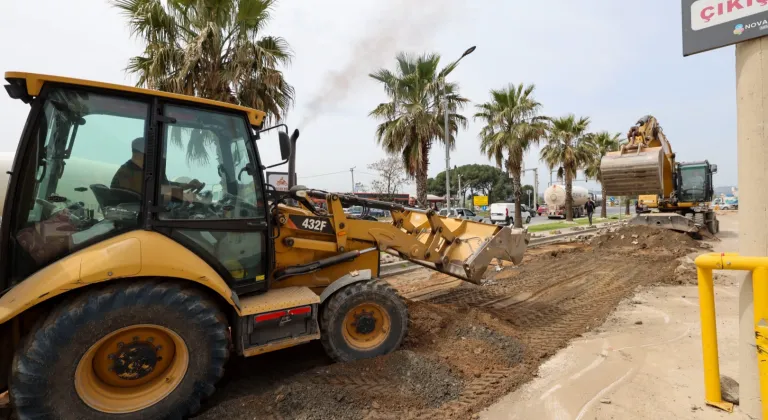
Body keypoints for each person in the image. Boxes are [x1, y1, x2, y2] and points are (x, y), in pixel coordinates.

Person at [112, 137, 203, 196]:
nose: (156, 156)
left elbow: (161, 185)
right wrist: (189, 197)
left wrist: (186, 185)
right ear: (142, 153)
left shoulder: (136, 170)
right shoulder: (129, 174)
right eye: (153, 152)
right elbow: (160, 191)